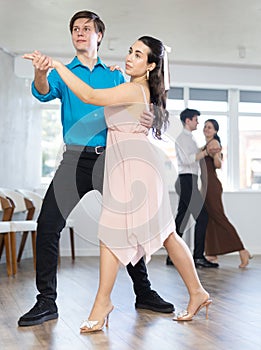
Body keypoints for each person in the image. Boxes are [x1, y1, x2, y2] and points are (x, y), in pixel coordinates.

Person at [25, 35, 212, 330]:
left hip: (134, 169)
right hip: (127, 166)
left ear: (150, 65)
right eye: (130, 51)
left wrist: (59, 65)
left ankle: (106, 303)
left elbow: (88, 96)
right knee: (158, 234)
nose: (130, 57)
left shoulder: (132, 90)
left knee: (147, 234)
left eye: (138, 55)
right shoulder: (135, 88)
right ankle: (193, 292)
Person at [167, 108, 219, 268]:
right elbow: (187, 159)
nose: (198, 123)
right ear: (188, 121)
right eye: (196, 120)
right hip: (187, 180)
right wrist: (205, 153)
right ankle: (197, 257)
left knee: (181, 219)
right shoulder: (183, 138)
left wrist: (205, 150)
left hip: (189, 180)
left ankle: (172, 257)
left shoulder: (190, 138)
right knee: (202, 217)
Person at [200, 119, 252, 268]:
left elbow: (217, 164)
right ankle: (212, 253)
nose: (206, 129)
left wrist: (216, 155)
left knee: (219, 218)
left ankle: (242, 250)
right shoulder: (206, 145)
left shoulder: (214, 143)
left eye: (209, 127)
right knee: (209, 219)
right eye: (205, 127)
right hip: (206, 186)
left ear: (215, 131)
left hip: (212, 187)